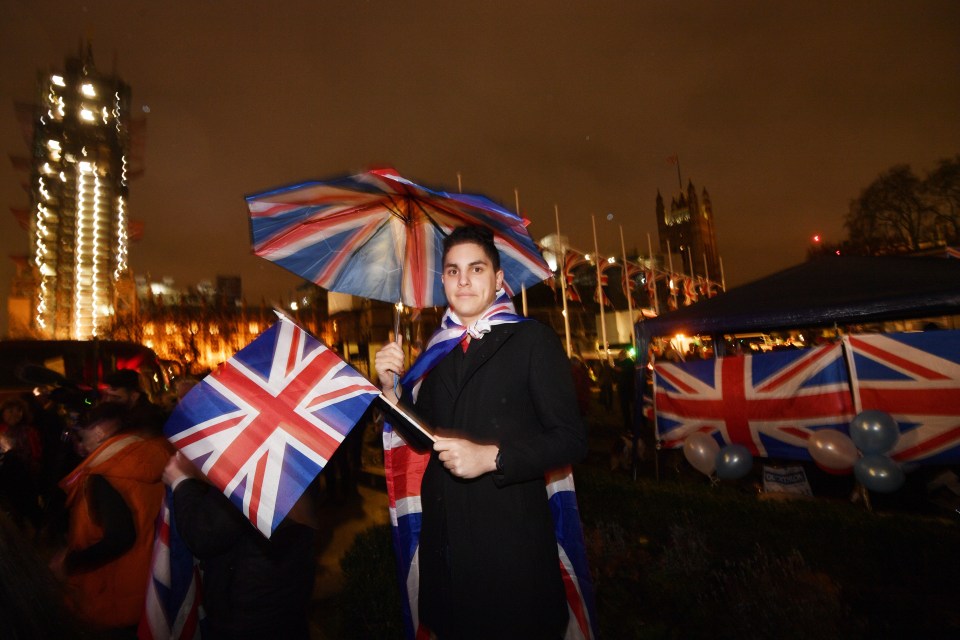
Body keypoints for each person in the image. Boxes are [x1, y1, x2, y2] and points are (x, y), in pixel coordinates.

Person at [375, 225, 588, 639]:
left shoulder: (531, 340)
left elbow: (571, 438)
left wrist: (491, 458)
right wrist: (392, 390)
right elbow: (425, 436)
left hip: (511, 554)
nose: (464, 280)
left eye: (476, 268)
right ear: (443, 282)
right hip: (449, 552)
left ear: (498, 279)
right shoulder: (439, 348)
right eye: (453, 271)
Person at [162, 452, 318, 639]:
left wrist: (181, 481)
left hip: (248, 608)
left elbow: (204, 534)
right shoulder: (300, 455)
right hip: (288, 595)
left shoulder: (249, 465)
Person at [52, 402, 171, 636]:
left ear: (99, 431)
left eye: (82, 436)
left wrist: (70, 562)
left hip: (114, 595)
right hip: (152, 585)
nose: (79, 445)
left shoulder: (105, 474)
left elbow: (120, 537)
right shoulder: (154, 456)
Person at [101, 369, 167, 436]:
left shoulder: (149, 418)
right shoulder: (119, 415)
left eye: (114, 389)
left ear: (134, 395)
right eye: (108, 389)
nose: (109, 397)